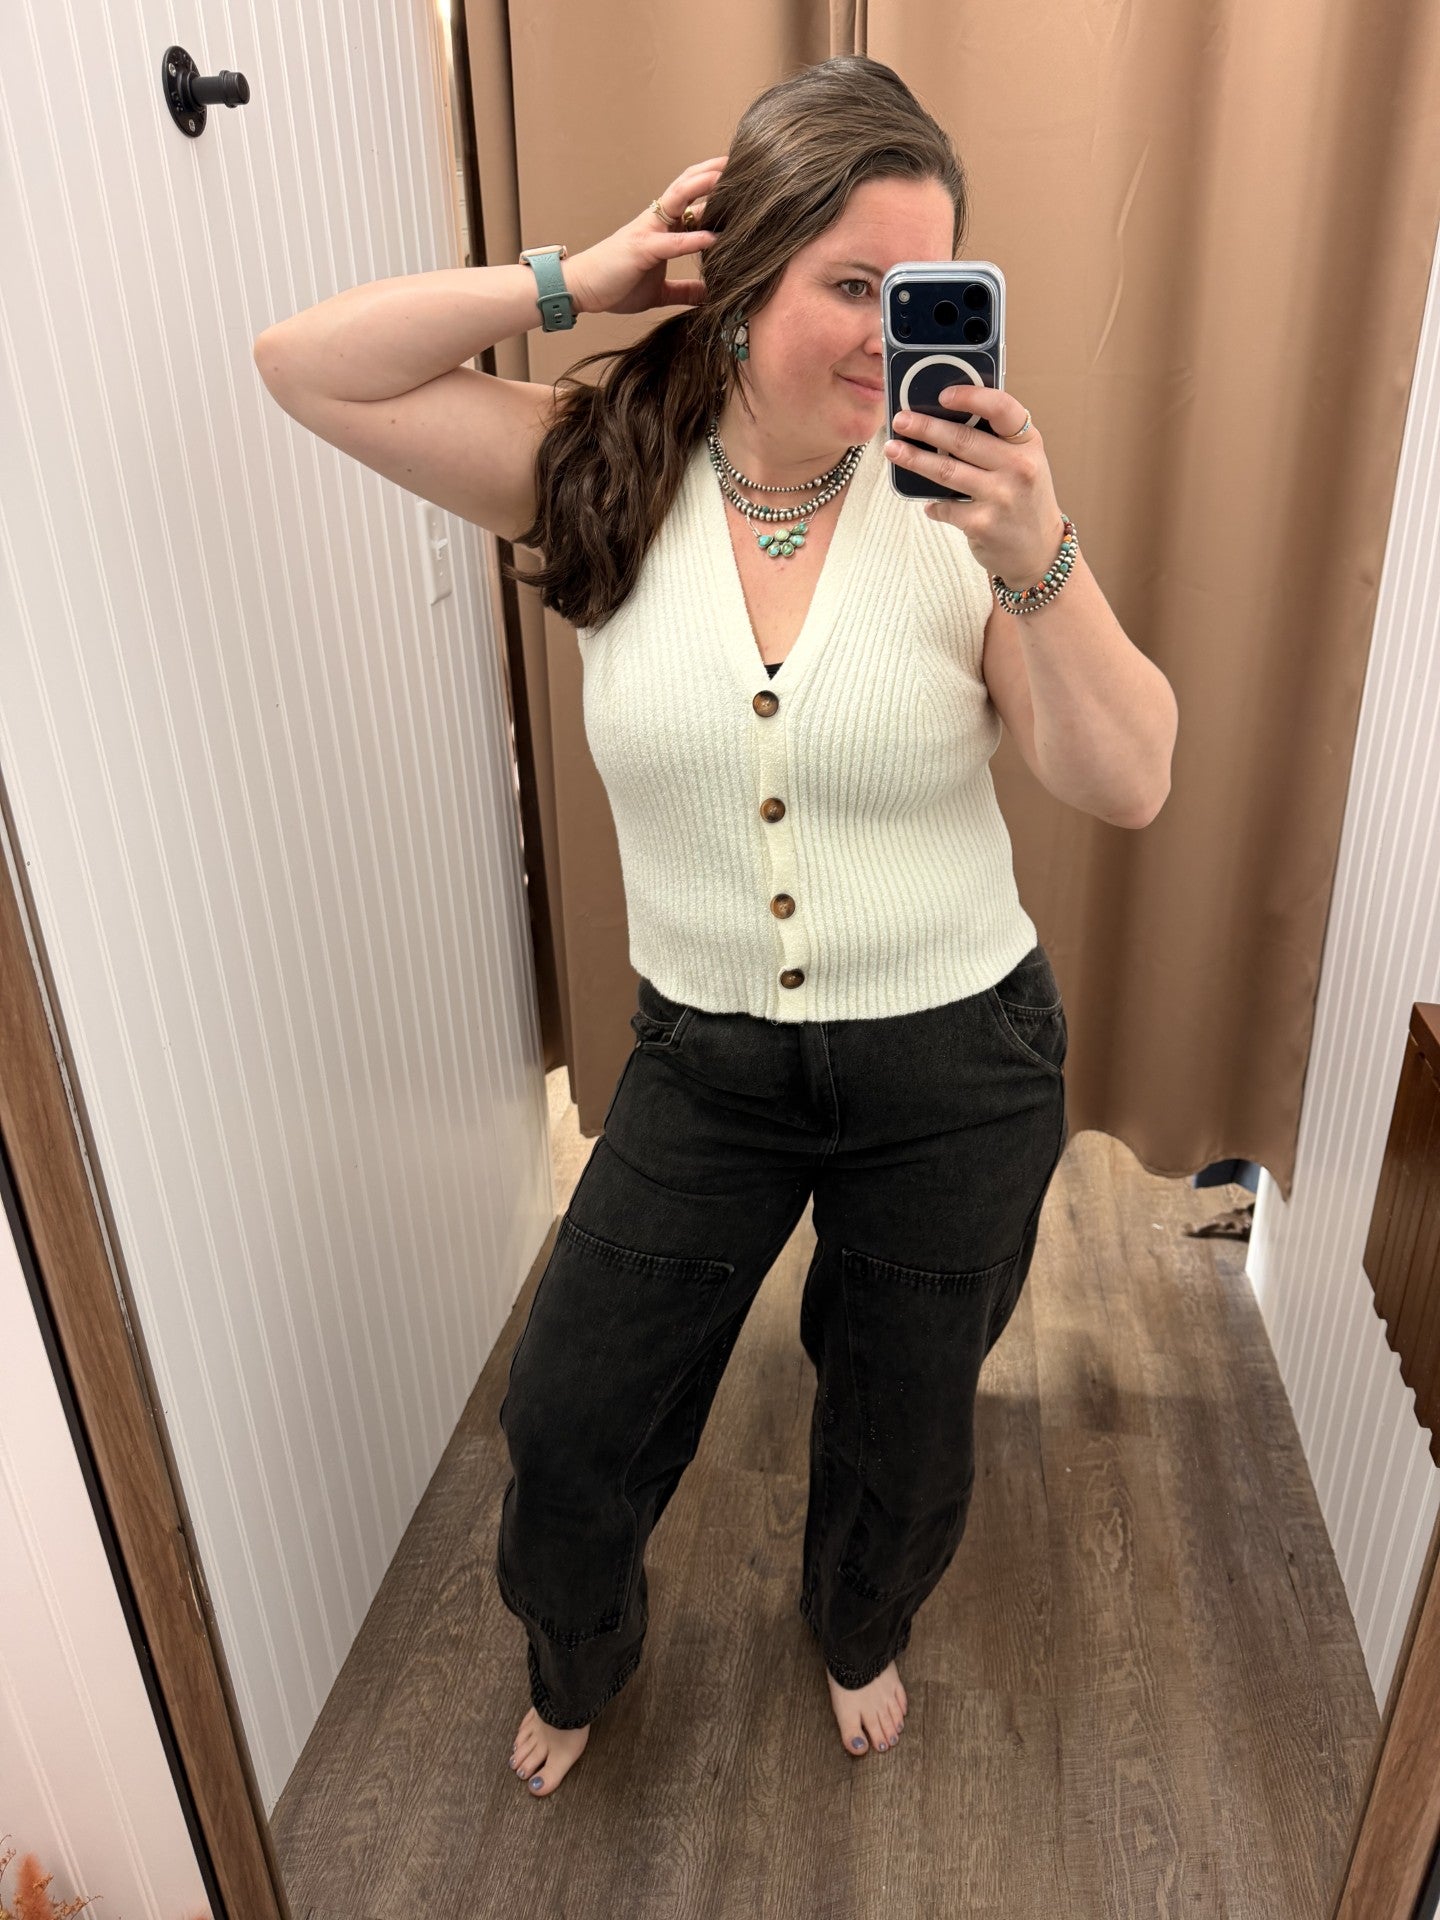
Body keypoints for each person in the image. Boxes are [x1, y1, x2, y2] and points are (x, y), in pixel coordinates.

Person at [253, 55, 1175, 1802]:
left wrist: (1043, 553)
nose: (892, 336)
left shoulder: (965, 513)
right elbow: (307, 364)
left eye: (924, 291)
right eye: (852, 284)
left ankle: (857, 1622)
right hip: (707, 1060)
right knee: (570, 1418)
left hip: (958, 1062)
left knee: (904, 1431)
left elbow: (1128, 779)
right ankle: (579, 1656)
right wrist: (577, 279)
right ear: (740, 284)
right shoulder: (600, 468)